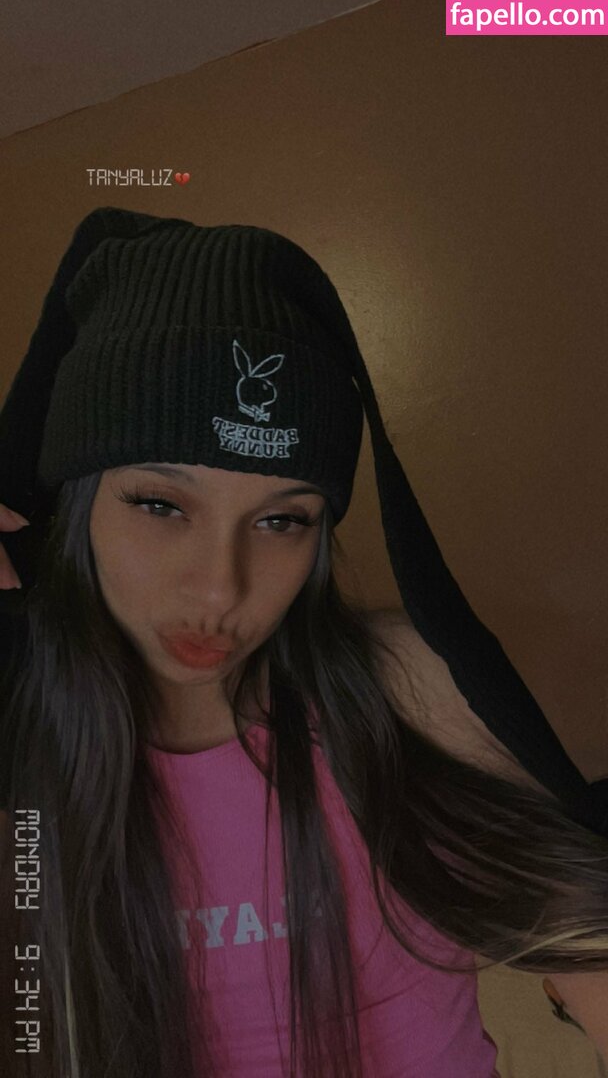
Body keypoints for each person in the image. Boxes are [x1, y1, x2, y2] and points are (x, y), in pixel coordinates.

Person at [0, 206, 607, 1078]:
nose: (221, 589)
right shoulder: (25, 723)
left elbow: (589, 947)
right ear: (77, 505)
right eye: (160, 505)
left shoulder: (399, 690)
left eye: (282, 520)